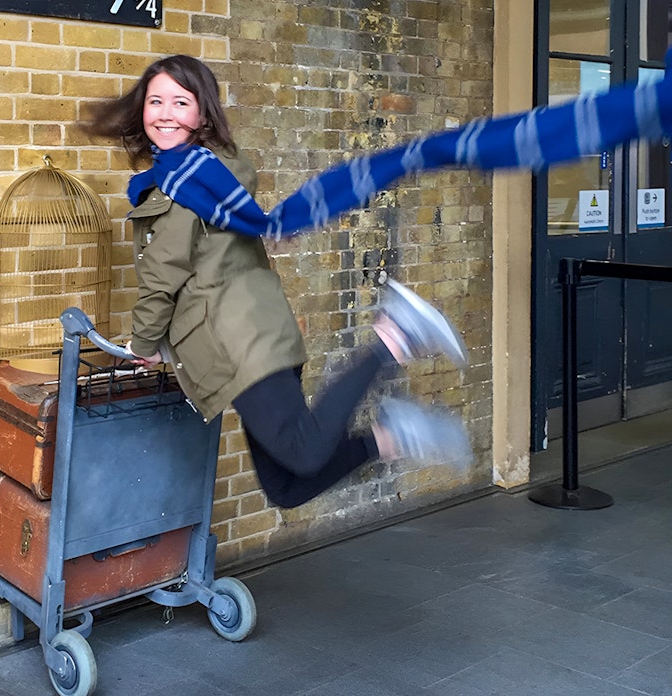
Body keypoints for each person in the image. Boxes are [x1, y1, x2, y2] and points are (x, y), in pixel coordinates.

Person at [81, 55, 474, 508]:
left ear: (202, 113)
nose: (165, 113)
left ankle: (394, 336)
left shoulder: (181, 185)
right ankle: (391, 437)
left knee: (304, 450)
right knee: (286, 487)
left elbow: (162, 278)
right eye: (155, 101)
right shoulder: (204, 173)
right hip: (253, 335)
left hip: (239, 341)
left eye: (180, 102)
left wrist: (144, 345)